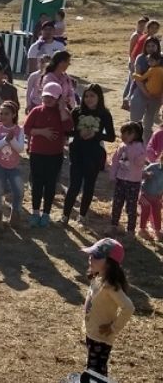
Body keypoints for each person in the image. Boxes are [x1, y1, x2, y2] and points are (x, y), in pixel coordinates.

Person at [79, 239, 134, 383]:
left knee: (96, 371)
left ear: (109, 263)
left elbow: (128, 307)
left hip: (101, 338)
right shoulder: (98, 276)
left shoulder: (110, 286)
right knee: (94, 368)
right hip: (93, 333)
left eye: (96, 256)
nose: (91, 258)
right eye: (91, 254)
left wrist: (113, 328)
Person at [62, 84, 115, 227]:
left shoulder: (104, 114)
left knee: (89, 186)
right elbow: (67, 131)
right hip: (77, 152)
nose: (89, 99)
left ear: (99, 97)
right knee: (74, 185)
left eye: (92, 96)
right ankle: (65, 215)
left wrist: (95, 134)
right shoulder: (77, 111)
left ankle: (83, 215)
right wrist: (79, 133)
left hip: (94, 154)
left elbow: (111, 137)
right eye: (86, 96)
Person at [24, 83, 73, 228]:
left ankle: (46, 213)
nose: (48, 99)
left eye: (52, 97)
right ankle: (35, 212)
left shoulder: (62, 113)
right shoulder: (36, 111)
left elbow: (68, 128)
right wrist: (42, 132)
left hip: (55, 154)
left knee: (50, 184)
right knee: (37, 183)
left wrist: (62, 109)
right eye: (46, 96)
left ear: (58, 98)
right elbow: (26, 128)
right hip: (37, 153)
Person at [0, 101, 24, 228]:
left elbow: (20, 149)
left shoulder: (19, 129)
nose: (3, 116)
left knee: (19, 191)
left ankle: (15, 217)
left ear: (13, 115)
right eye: (1, 113)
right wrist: (5, 140)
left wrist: (12, 139)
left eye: (6, 114)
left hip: (14, 165)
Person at [109, 122, 145, 236]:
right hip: (120, 179)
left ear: (135, 134)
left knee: (131, 206)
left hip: (133, 182)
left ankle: (130, 230)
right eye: (122, 133)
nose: (123, 136)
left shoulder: (140, 147)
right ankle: (114, 225)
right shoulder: (121, 146)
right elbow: (115, 161)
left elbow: (139, 163)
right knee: (117, 203)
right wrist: (112, 175)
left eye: (127, 133)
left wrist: (137, 156)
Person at [131, 52, 163, 142]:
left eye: (151, 61)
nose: (149, 63)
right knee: (150, 118)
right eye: (149, 61)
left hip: (149, 93)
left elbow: (142, 78)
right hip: (157, 96)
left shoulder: (152, 70)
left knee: (145, 118)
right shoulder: (161, 70)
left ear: (158, 61)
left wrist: (134, 75)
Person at [138, 150, 163, 241]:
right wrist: (146, 175)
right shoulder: (153, 167)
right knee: (146, 210)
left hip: (157, 196)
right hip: (146, 194)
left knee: (157, 213)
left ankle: (157, 231)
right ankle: (142, 229)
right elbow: (139, 175)